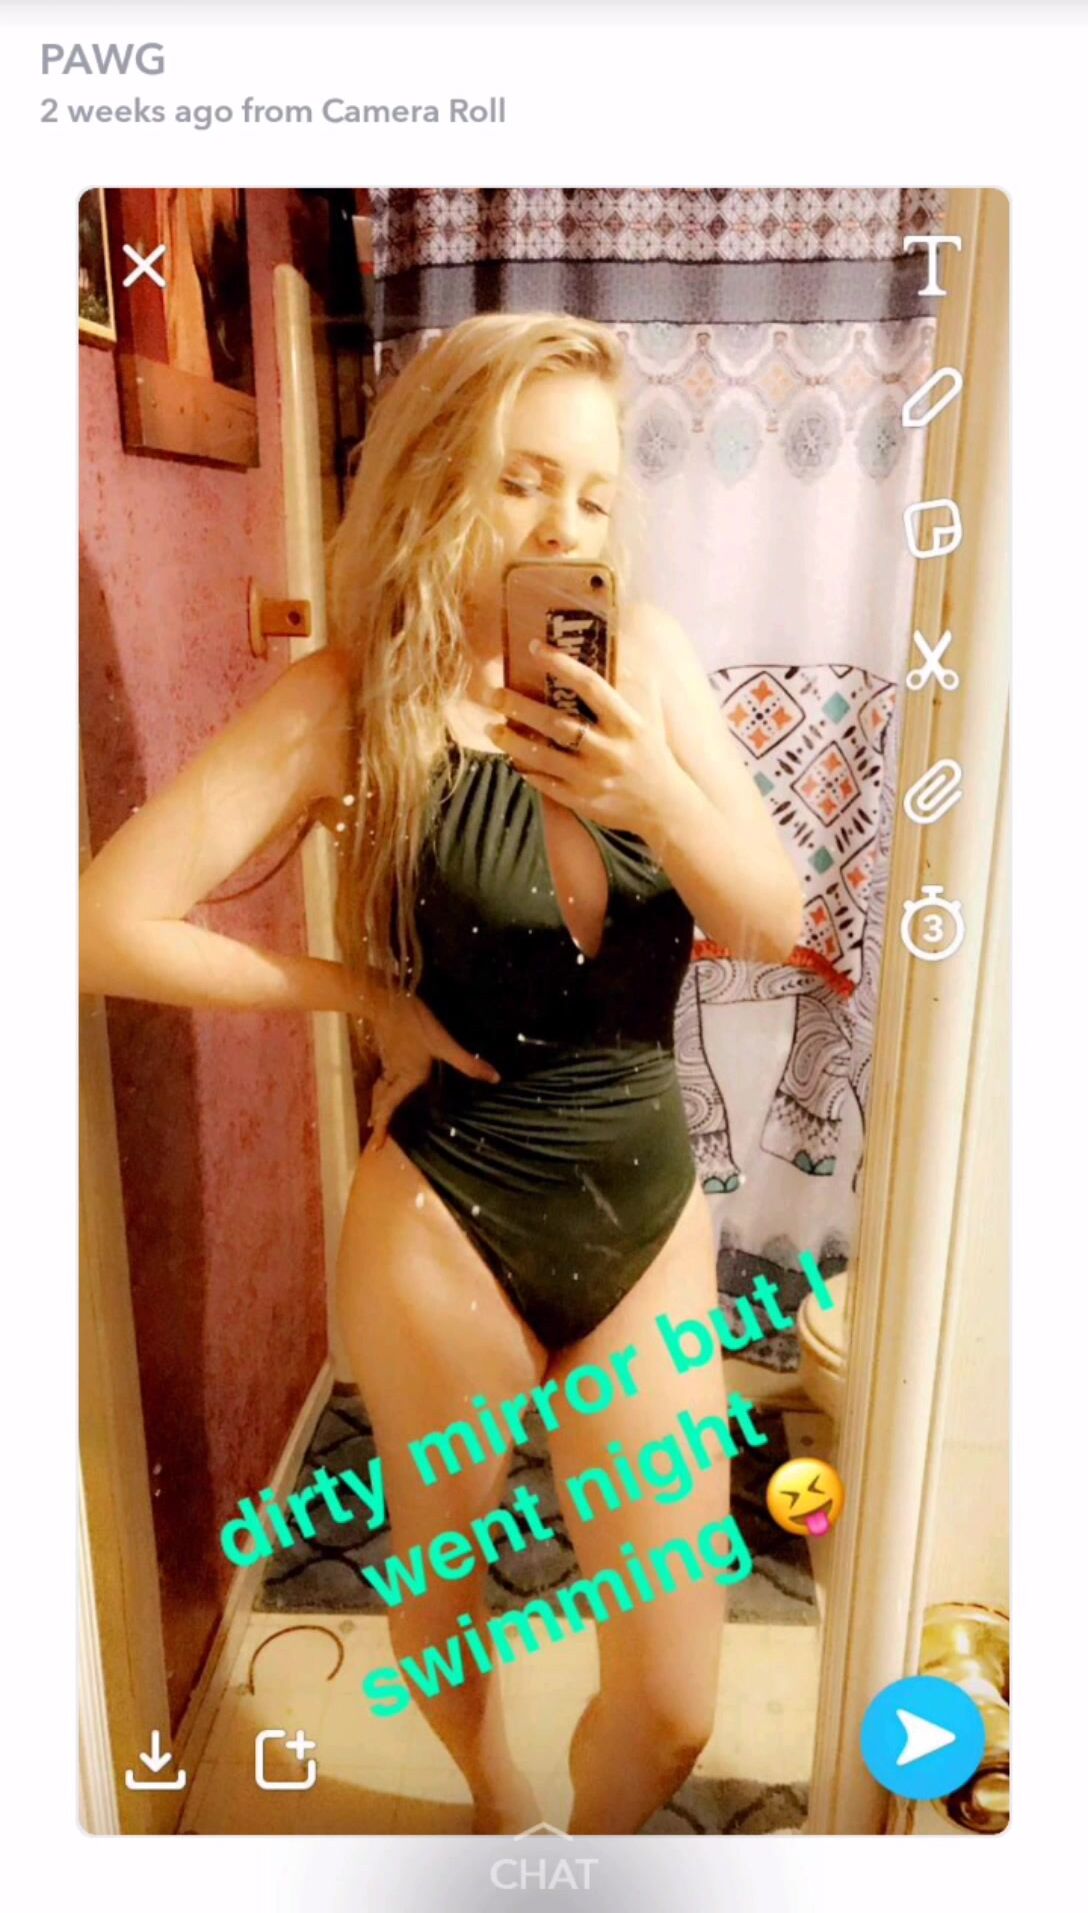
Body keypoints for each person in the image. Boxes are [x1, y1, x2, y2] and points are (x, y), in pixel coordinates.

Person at [80, 311, 803, 1834]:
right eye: (520, 480)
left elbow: (773, 921)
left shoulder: (648, 668)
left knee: (674, 1700)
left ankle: (589, 1851)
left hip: (641, 1209)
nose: (561, 528)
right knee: (445, 1589)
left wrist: (653, 789)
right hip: (443, 1214)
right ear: (431, 478)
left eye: (592, 495)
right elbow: (102, 922)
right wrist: (355, 993)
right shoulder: (351, 699)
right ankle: (501, 1801)